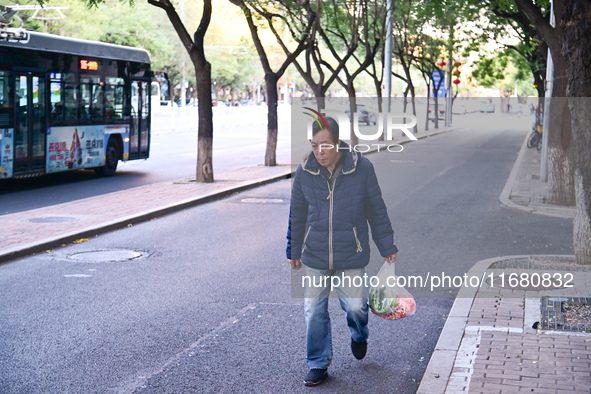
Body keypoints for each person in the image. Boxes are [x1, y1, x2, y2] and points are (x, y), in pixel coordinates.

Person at [287, 116, 398, 387]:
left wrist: (386, 245)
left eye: (325, 145)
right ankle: (318, 363)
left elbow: (376, 209)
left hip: (351, 252)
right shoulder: (305, 171)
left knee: (356, 307)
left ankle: (359, 335)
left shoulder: (362, 168)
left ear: (338, 143)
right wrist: (293, 248)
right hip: (315, 254)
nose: (319, 152)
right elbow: (297, 213)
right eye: (314, 146)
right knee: (313, 310)